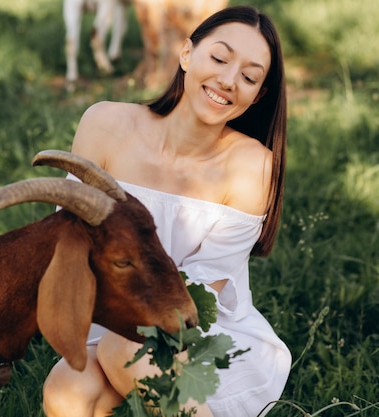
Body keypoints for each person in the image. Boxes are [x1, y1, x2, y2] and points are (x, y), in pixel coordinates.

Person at [42, 5, 292, 417]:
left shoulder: (252, 166)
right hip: (107, 311)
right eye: (219, 58)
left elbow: (199, 296)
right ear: (186, 54)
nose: (229, 81)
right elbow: (69, 237)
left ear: (258, 95)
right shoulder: (104, 123)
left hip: (195, 328)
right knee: (65, 391)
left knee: (127, 348)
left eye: (249, 77)